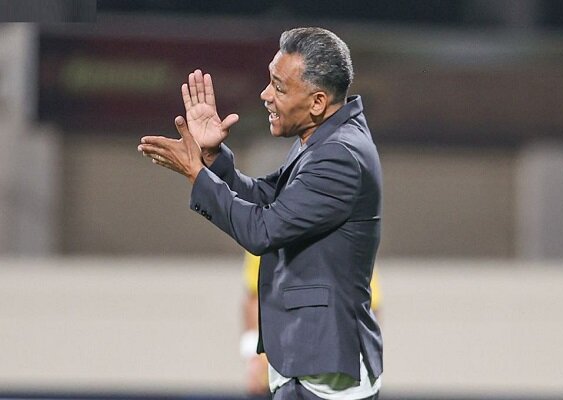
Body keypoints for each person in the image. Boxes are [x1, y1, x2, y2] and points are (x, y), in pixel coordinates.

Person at [138, 27, 383, 400]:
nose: (265, 95)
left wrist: (196, 174)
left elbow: (262, 230)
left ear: (317, 102)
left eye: (279, 87)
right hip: (310, 364)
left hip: (326, 376)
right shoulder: (326, 140)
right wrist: (212, 159)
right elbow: (269, 199)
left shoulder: (338, 155)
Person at [240, 252, 383, 398]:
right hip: (275, 370)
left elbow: (368, 305)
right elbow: (253, 295)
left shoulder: (350, 244)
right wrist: (253, 358)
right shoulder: (269, 240)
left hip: (336, 375)